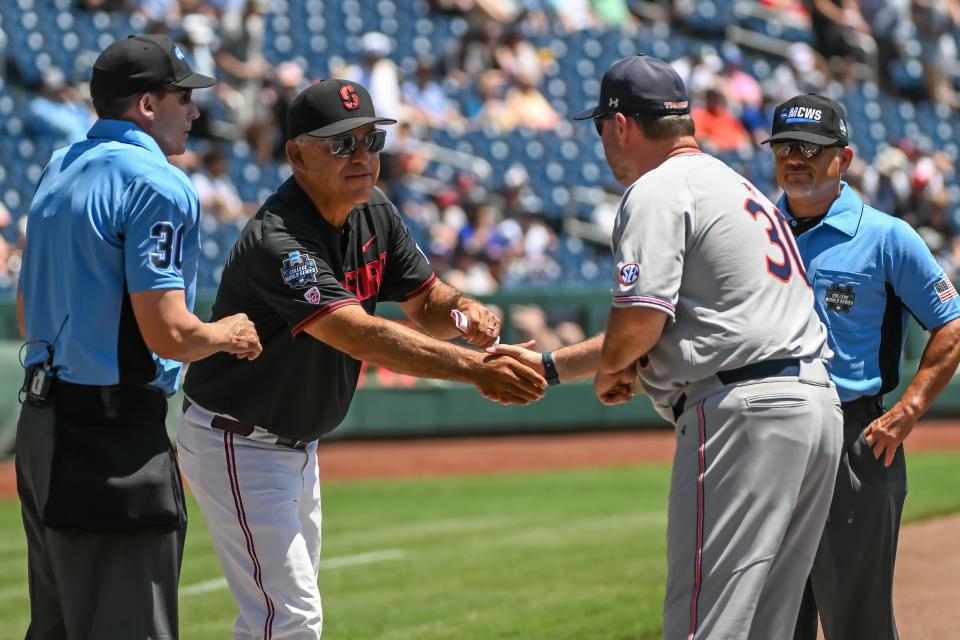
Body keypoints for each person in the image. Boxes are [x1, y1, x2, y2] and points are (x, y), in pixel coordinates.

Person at [176, 78, 546, 638]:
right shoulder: (280, 238)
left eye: (371, 140)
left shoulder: (373, 209)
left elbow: (427, 301)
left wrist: (466, 312)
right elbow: (358, 335)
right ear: (298, 153)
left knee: (276, 619)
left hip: (296, 445)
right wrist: (473, 368)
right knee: (290, 618)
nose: (363, 157)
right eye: (342, 143)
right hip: (239, 440)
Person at [491, 54, 843, 639]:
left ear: (621, 124)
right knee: (766, 626)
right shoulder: (731, 183)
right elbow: (682, 322)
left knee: (706, 622)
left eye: (601, 126)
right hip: (810, 408)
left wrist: (612, 372)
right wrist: (554, 367)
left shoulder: (657, 189)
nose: (602, 140)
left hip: (742, 414)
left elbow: (638, 323)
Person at [14, 34, 262, 639]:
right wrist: (228, 334)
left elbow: (26, 310)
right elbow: (171, 333)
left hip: (41, 426)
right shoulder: (158, 182)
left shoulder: (61, 165)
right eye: (184, 97)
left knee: (57, 626)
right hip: (110, 434)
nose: (196, 111)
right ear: (146, 106)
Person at [763, 94, 960, 640]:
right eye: (783, 146)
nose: (794, 158)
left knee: (858, 622)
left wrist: (911, 407)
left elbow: (952, 321)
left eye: (810, 147)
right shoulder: (754, 230)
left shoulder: (887, 235)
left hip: (853, 437)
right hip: (766, 438)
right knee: (771, 622)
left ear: (843, 158)